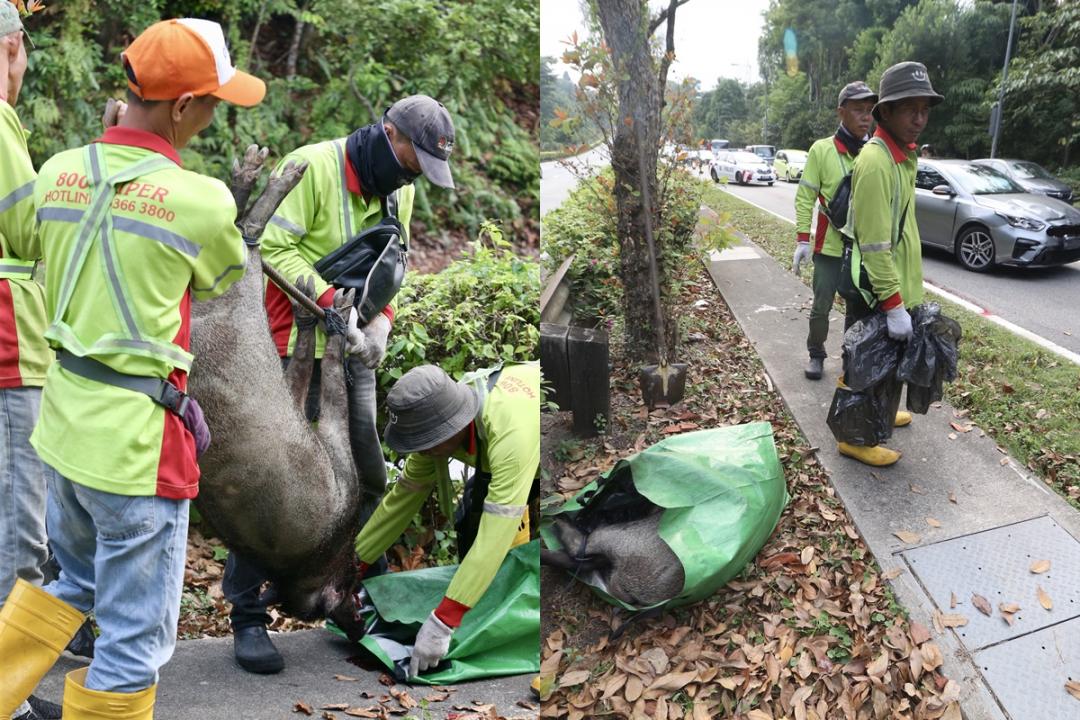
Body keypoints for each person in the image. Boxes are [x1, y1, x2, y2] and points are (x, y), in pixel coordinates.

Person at [0, 18, 263, 719]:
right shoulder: (202, 199)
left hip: (65, 429)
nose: (214, 117)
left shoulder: (58, 169)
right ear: (181, 106)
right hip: (137, 449)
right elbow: (218, 280)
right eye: (212, 102)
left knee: (71, 581)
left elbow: (25, 234)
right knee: (134, 639)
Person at [224, 94, 456, 674]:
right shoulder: (314, 167)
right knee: (271, 487)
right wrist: (331, 304)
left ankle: (351, 597)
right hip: (285, 343)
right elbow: (265, 248)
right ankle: (247, 615)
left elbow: (392, 263)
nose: (414, 175)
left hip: (348, 348)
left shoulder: (398, 187)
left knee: (366, 476)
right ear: (389, 133)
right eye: (414, 160)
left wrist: (379, 323)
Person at [352, 362, 539, 678]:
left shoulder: (511, 435)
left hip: (537, 435)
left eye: (424, 442)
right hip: (496, 454)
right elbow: (400, 502)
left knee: (522, 551)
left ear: (450, 428)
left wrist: (443, 621)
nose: (419, 451)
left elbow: (496, 534)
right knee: (473, 533)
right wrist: (351, 569)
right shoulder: (434, 439)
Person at [833, 61, 943, 467]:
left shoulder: (903, 158)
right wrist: (894, 304)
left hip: (894, 284)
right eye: (909, 109)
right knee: (862, 360)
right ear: (887, 112)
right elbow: (876, 244)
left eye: (925, 110)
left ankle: (878, 414)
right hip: (875, 286)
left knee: (885, 361)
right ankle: (853, 437)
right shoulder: (877, 162)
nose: (919, 119)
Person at [0, 5, 61, 719]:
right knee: (18, 526)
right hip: (10, 345)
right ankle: (7, 699)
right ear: (12, 48)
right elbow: (28, 225)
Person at [792, 80, 877, 381]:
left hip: (862, 250)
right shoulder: (822, 150)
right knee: (821, 307)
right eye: (858, 110)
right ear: (841, 112)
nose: (866, 117)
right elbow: (804, 196)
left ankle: (850, 358)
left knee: (857, 309)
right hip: (829, 247)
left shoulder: (873, 152)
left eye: (869, 110)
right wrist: (803, 239)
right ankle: (816, 353)